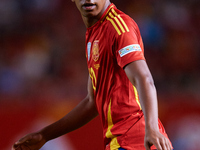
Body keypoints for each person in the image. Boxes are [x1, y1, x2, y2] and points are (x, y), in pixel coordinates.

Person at [12, 0, 173, 150]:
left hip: (136, 140)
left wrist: (151, 129)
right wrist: (44, 135)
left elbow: (143, 78)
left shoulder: (119, 27)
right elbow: (93, 100)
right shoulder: (94, 32)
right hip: (121, 141)